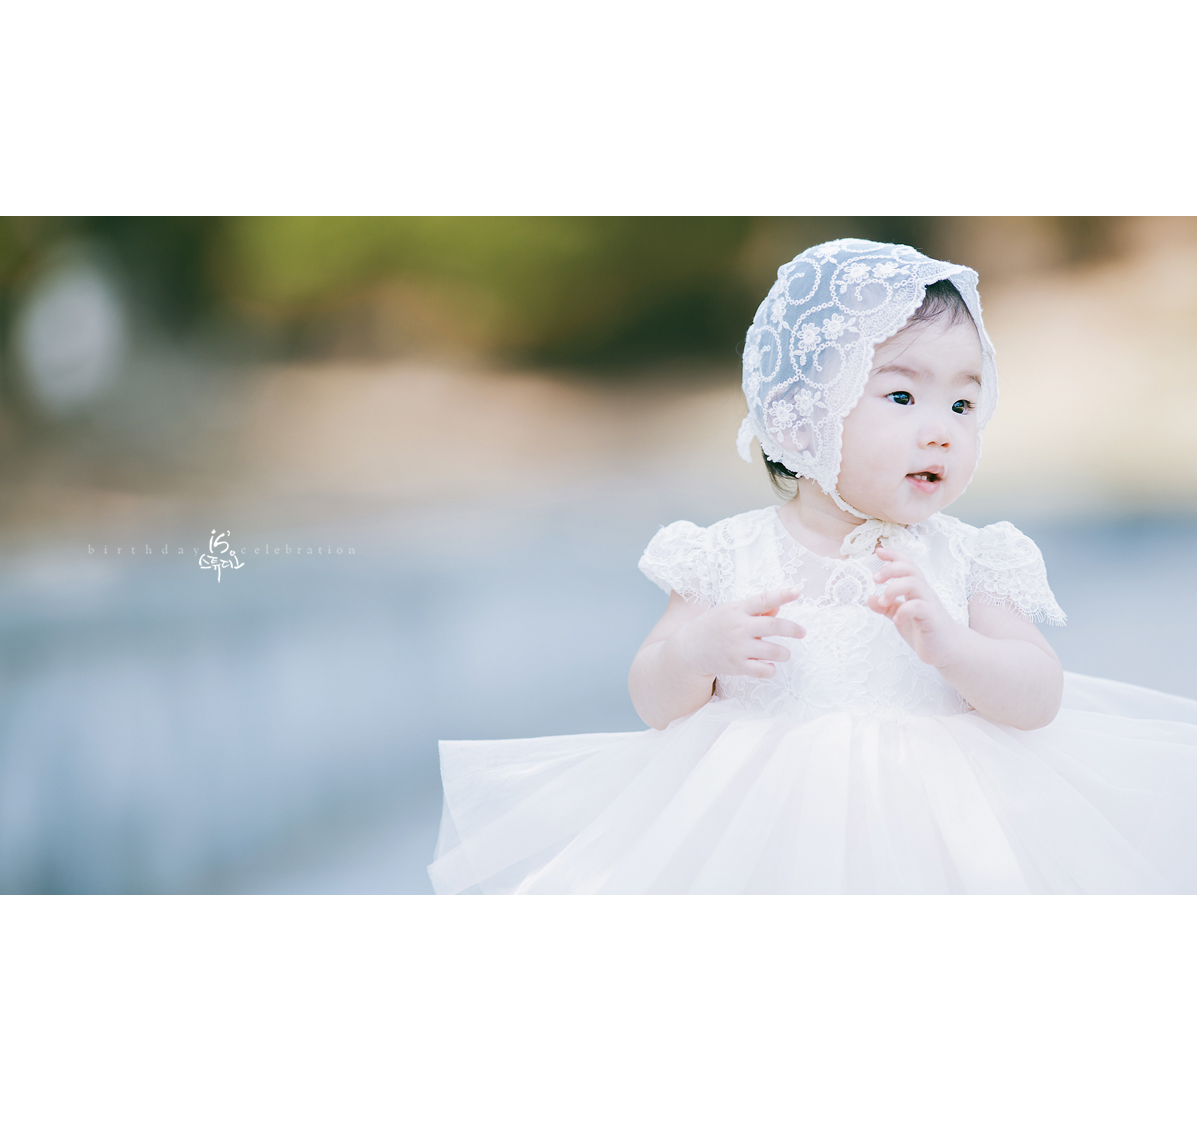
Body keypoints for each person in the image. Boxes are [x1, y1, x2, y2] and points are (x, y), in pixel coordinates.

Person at [428, 238, 1197, 894]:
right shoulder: (727, 554)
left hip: (939, 835)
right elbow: (651, 698)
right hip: (760, 830)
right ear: (800, 416)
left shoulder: (967, 558)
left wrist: (954, 647)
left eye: (962, 406)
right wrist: (698, 651)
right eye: (902, 396)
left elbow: (1038, 694)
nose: (940, 430)